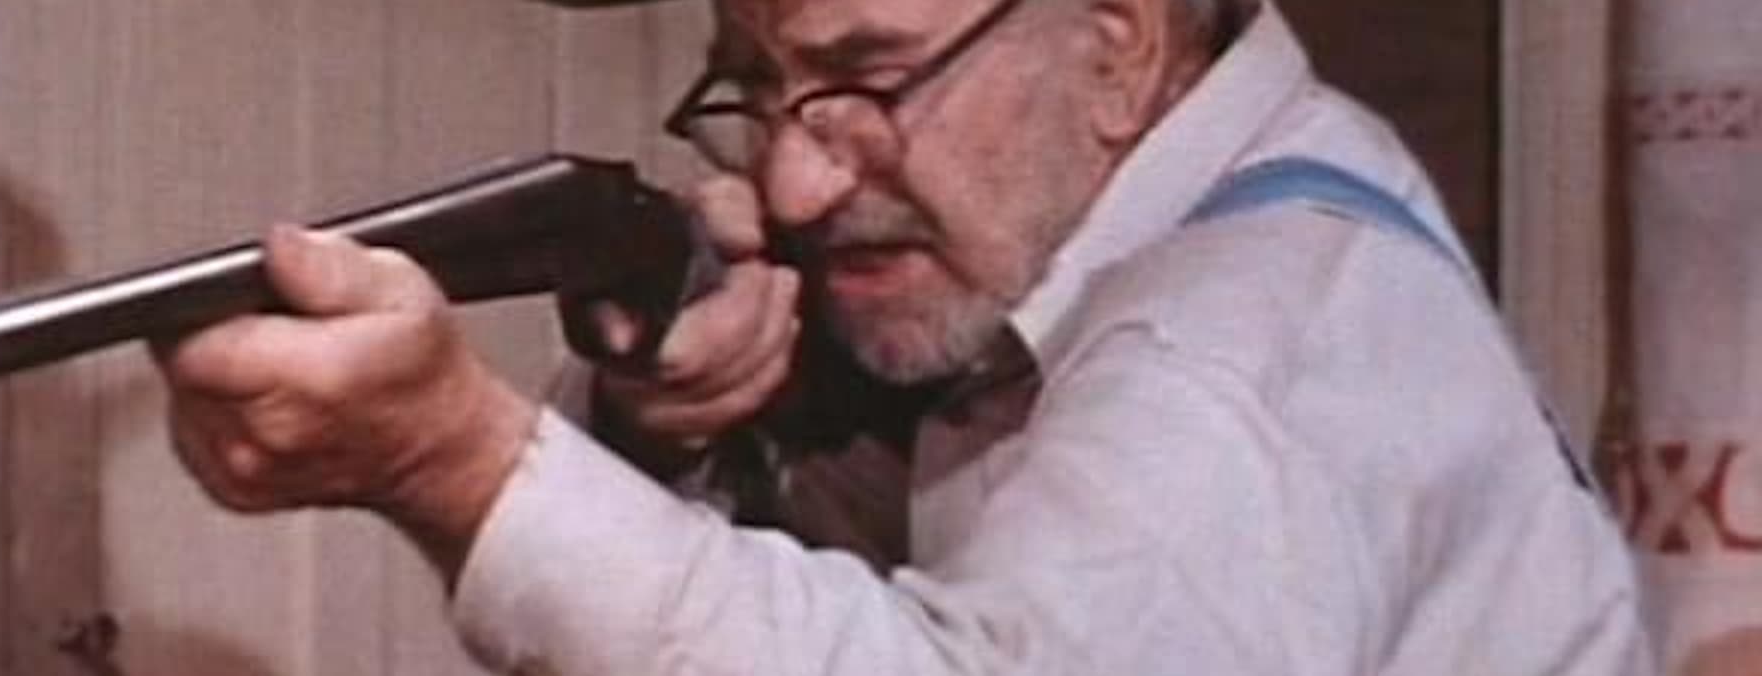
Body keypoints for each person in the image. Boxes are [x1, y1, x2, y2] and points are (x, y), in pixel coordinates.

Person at [151, 0, 1655, 672]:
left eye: (867, 79)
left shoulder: (1231, 354)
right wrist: (673, 424)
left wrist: (459, 461)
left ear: (1119, 45)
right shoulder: (1221, 200)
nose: (797, 182)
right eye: (761, 88)